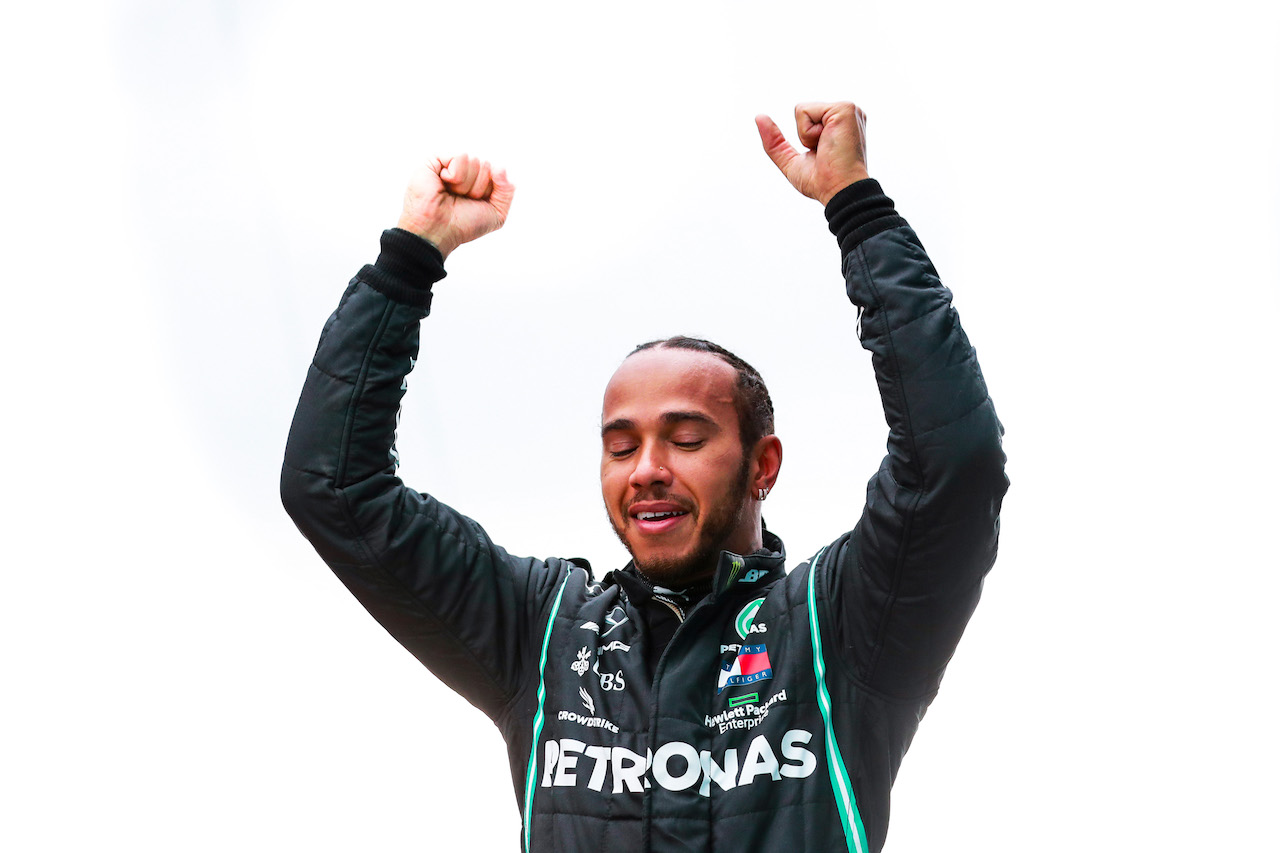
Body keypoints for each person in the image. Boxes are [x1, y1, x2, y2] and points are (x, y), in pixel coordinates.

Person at [281, 100, 1008, 853]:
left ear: (763, 465)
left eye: (686, 439)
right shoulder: (544, 634)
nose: (648, 471)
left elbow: (953, 466)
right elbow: (333, 485)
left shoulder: (842, 626)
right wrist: (409, 258)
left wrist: (857, 207)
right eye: (621, 447)